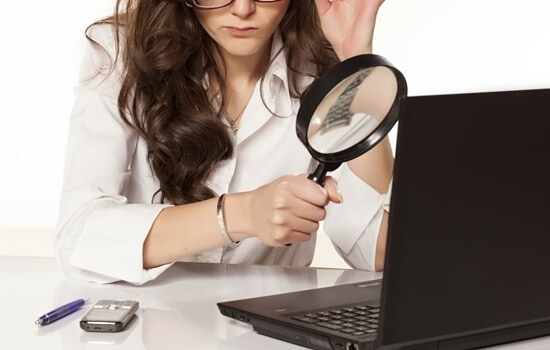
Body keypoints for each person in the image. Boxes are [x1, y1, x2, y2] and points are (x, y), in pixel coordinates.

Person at [55, 0, 392, 285]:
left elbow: (377, 249)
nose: (243, 9)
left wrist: (356, 62)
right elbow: (79, 235)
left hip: (268, 330)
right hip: (144, 325)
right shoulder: (119, 52)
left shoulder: (320, 70)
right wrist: (243, 213)